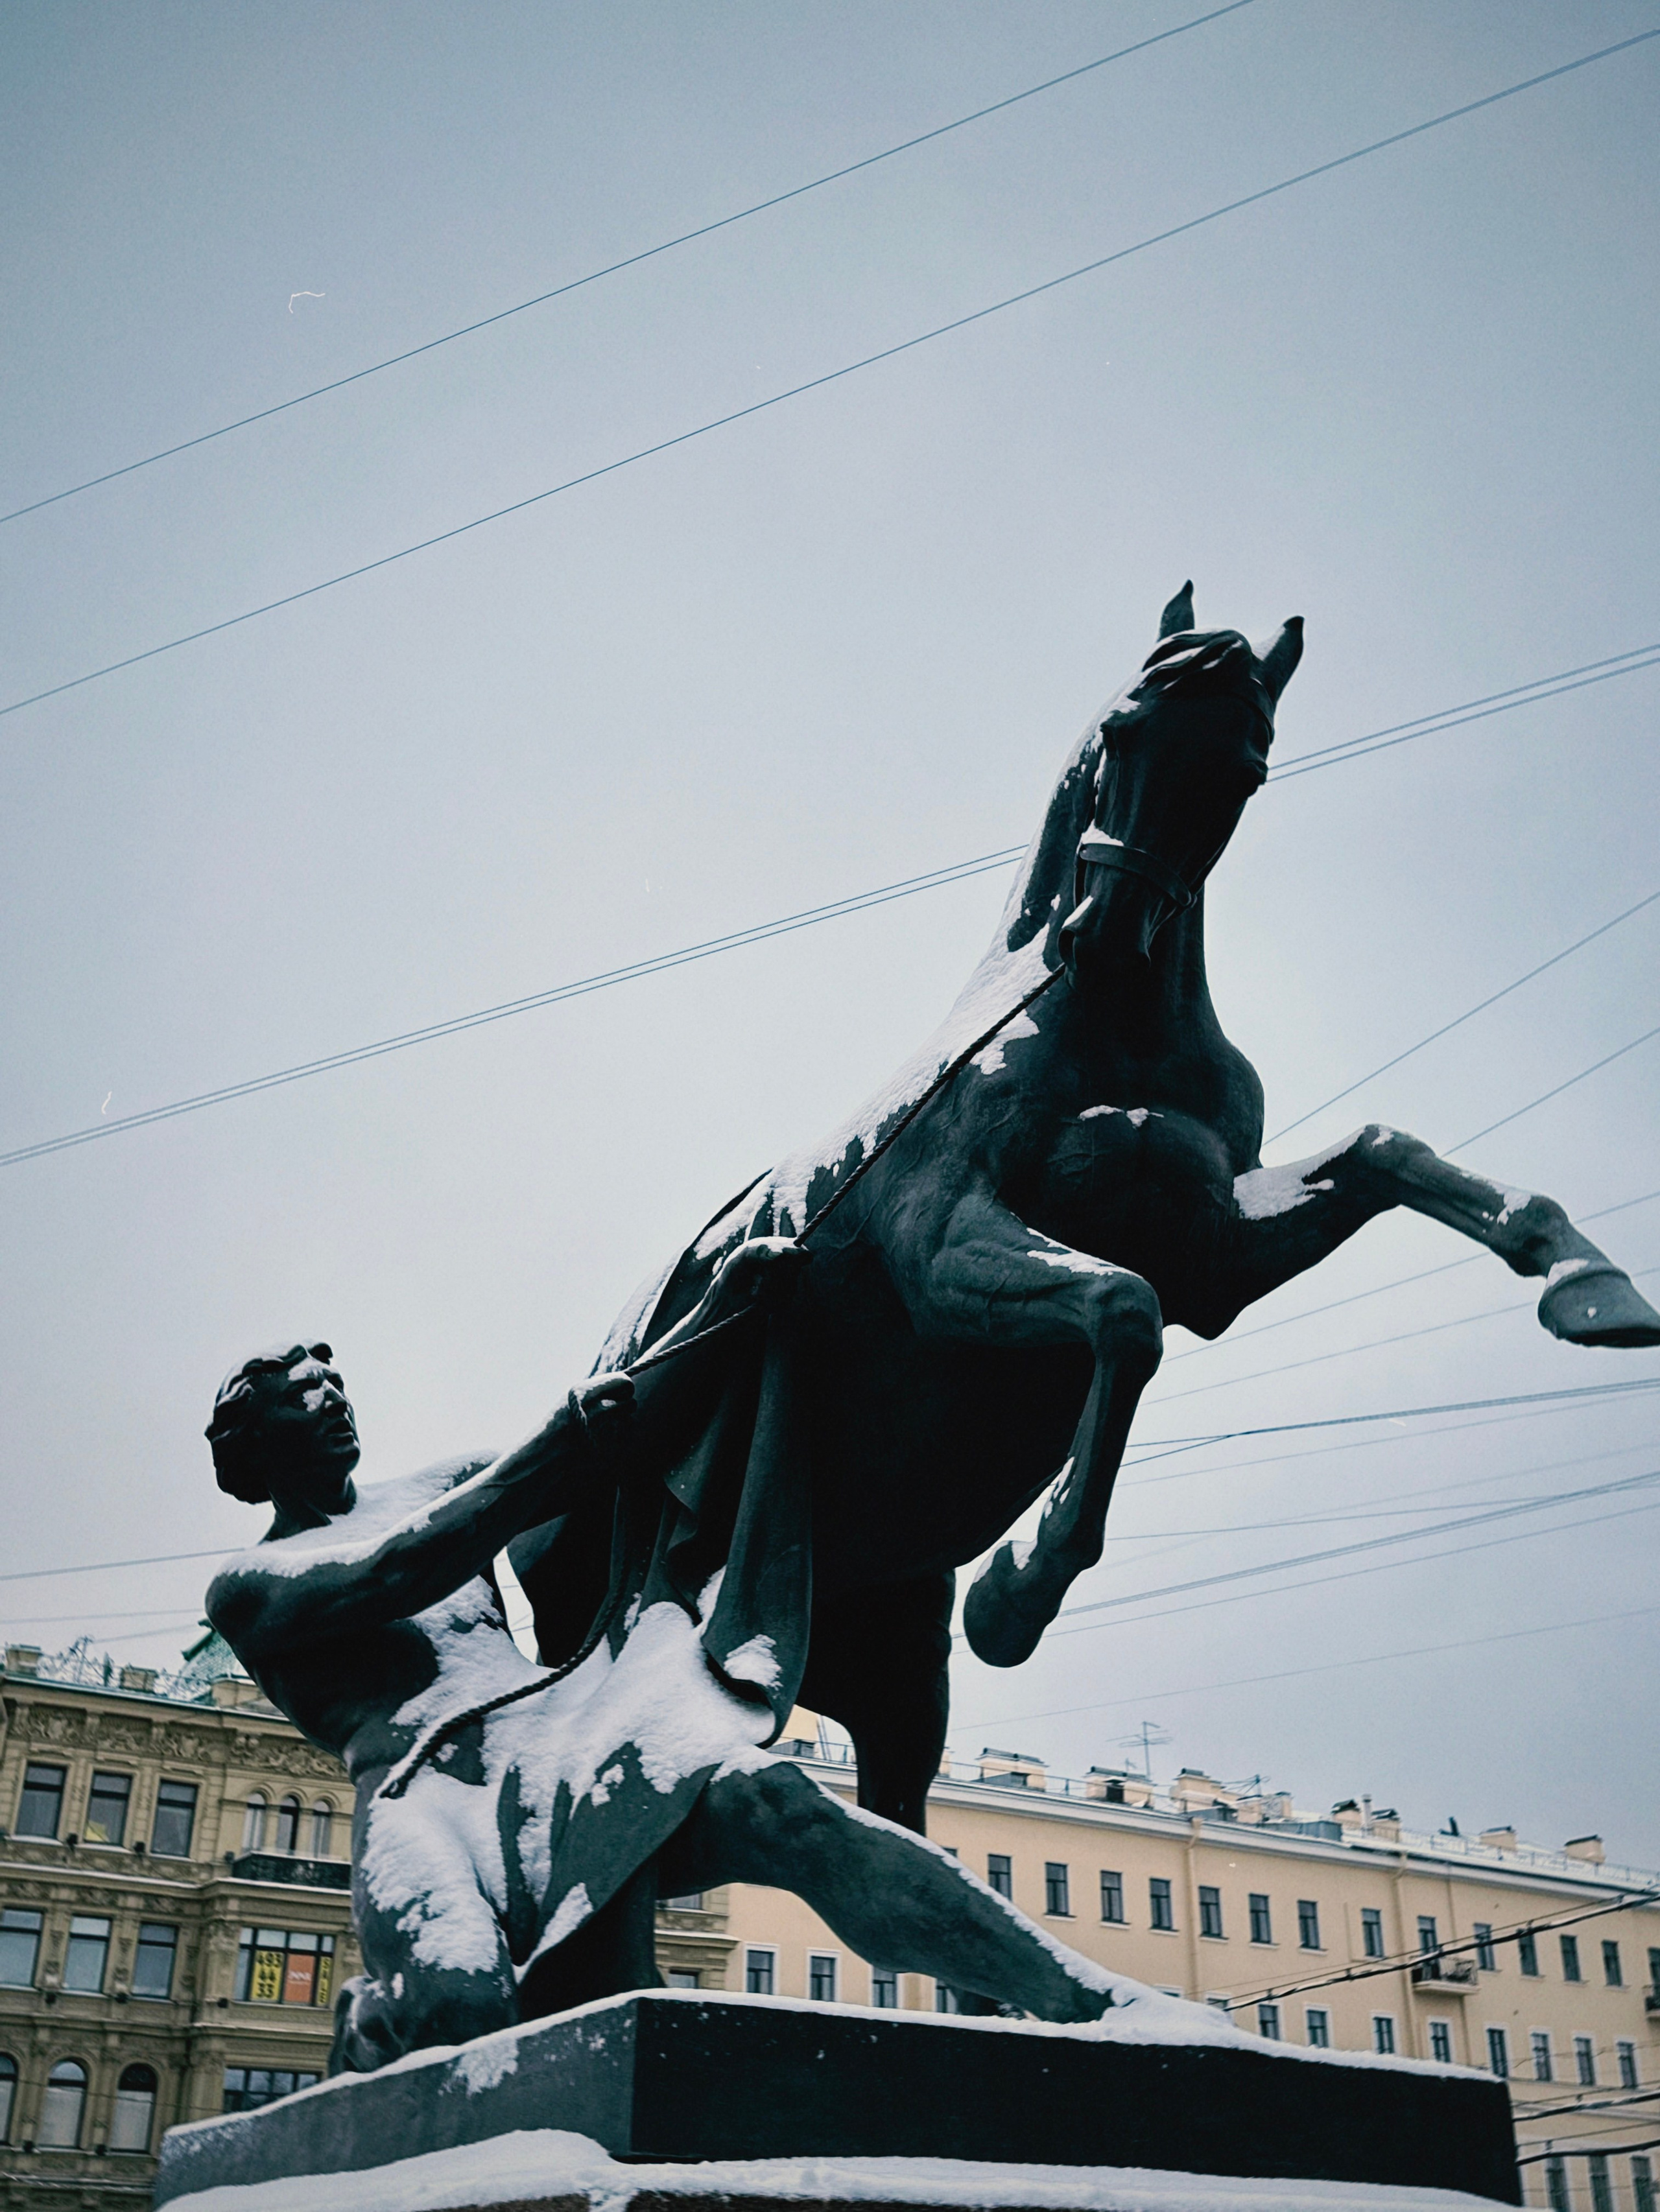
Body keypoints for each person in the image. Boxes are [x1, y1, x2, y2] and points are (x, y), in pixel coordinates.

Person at [206, 1246, 1128, 2075]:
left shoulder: (443, 1481)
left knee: (778, 1804)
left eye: (336, 1384)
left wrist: (721, 1313)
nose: (332, 1401)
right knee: (465, 2016)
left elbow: (618, 1440)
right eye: (302, 1396)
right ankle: (373, 2021)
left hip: (550, 1746)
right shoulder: (249, 1584)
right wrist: (549, 1451)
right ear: (256, 1445)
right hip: (426, 1802)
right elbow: (400, 1569)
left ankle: (1094, 2006)